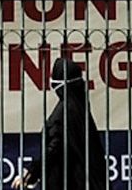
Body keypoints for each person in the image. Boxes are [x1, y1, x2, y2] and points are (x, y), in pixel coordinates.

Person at [12, 56, 105, 190]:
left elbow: (55, 146)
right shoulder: (79, 107)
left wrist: (32, 171)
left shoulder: (66, 110)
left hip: (69, 180)